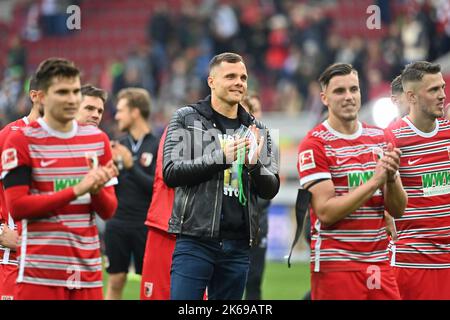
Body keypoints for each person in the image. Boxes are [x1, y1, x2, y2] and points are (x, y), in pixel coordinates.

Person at [163, 52, 280, 300]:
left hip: (238, 245)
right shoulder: (187, 118)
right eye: (230, 76)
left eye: (243, 77)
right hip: (195, 239)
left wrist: (254, 166)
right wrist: (220, 157)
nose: (239, 82)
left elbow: (271, 188)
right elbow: (171, 172)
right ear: (211, 81)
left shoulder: (259, 130)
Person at [1, 58, 118, 300]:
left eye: (75, 91)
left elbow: (108, 211)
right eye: (62, 92)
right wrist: (77, 189)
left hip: (87, 272)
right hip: (39, 271)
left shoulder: (97, 141)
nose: (71, 98)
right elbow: (19, 206)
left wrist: (95, 189)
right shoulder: (20, 140)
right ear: (41, 97)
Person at [297, 63, 407, 300]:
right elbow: (326, 212)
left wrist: (392, 179)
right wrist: (375, 181)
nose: (348, 97)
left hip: (378, 262)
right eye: (339, 91)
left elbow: (397, 210)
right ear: (324, 98)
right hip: (337, 264)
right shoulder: (315, 144)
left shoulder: (380, 137)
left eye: (353, 89)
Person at [385, 61, 450, 299]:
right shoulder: (393, 138)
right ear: (411, 97)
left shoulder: (448, 132)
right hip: (412, 264)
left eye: (442, 88)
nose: (442, 95)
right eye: (433, 90)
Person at [104, 88, 159, 300]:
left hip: (146, 225)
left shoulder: (158, 145)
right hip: (117, 223)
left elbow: (157, 188)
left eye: (120, 111)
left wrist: (130, 166)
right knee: (116, 281)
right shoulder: (117, 145)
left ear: (135, 112)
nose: (116, 116)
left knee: (150, 285)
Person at [0, 75, 44, 300]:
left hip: (53, 266)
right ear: (35, 96)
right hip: (13, 264)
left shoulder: (69, 141)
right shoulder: (9, 136)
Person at [241, 94, 270, 300]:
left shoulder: (267, 146)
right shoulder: (231, 142)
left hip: (258, 223)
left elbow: (268, 192)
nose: (257, 114)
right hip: (235, 224)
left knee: (254, 281)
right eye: (253, 110)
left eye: (259, 109)